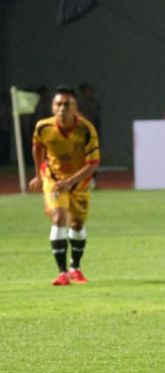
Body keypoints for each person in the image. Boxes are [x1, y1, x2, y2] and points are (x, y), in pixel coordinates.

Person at [28, 86, 100, 286]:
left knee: (77, 224)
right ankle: (62, 273)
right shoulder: (43, 127)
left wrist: (71, 182)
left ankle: (75, 267)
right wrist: (38, 176)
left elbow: (93, 164)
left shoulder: (86, 129)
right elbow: (37, 147)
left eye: (67, 104)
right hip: (54, 179)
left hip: (78, 182)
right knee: (59, 216)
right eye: (58, 104)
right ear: (52, 107)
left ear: (75, 107)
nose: (62, 108)